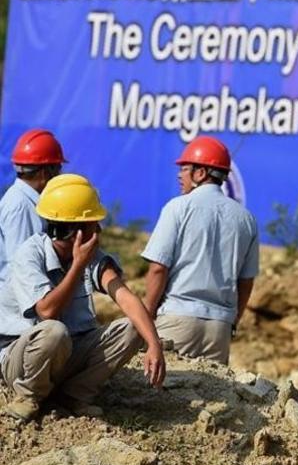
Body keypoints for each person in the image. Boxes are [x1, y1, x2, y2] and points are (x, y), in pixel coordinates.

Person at [0, 174, 165, 421]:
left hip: (67, 352)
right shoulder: (30, 254)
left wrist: (154, 344)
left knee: (133, 327)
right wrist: (78, 266)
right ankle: (29, 396)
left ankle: (73, 395)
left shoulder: (92, 257)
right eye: (91, 224)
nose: (98, 230)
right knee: (54, 331)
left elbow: (126, 298)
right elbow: (47, 312)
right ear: (71, 232)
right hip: (21, 360)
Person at [141, 136, 259, 364]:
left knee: (159, 395)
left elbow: (158, 268)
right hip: (219, 329)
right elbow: (246, 282)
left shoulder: (177, 207)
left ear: (201, 173)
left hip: (177, 320)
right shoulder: (247, 219)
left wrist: (146, 315)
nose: (179, 174)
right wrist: (232, 321)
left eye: (185, 168)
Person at [1, 129, 65, 285]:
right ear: (44, 173)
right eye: (57, 169)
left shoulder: (25, 200)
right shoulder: (22, 206)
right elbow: (23, 267)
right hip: (19, 304)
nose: (59, 175)